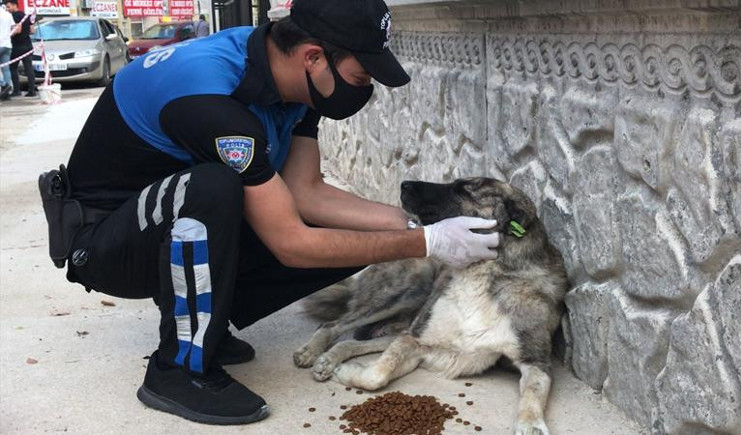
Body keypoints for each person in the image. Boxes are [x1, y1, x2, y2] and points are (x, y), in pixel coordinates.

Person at [45, 0, 499, 426]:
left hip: (164, 230)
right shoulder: (213, 100)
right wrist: (429, 245)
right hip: (104, 245)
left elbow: (306, 194)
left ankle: (210, 320)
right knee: (213, 186)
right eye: (362, 76)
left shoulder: (291, 83)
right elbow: (291, 242)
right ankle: (177, 369)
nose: (367, 88)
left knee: (351, 231)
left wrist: (415, 225)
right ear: (313, 58)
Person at [5, 0, 35, 97]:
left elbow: (17, 30)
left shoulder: (13, 16)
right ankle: (32, 90)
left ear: (15, 5)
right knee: (29, 68)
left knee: (12, 68)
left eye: (8, 7)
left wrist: (7, 35)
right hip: (28, 45)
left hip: (17, 46)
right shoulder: (26, 15)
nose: (7, 9)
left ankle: (16, 90)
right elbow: (32, 30)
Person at [0, 1, 14, 100]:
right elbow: (14, 28)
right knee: (6, 69)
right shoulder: (8, 14)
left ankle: (4, 84)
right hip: (7, 44)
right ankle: (7, 94)